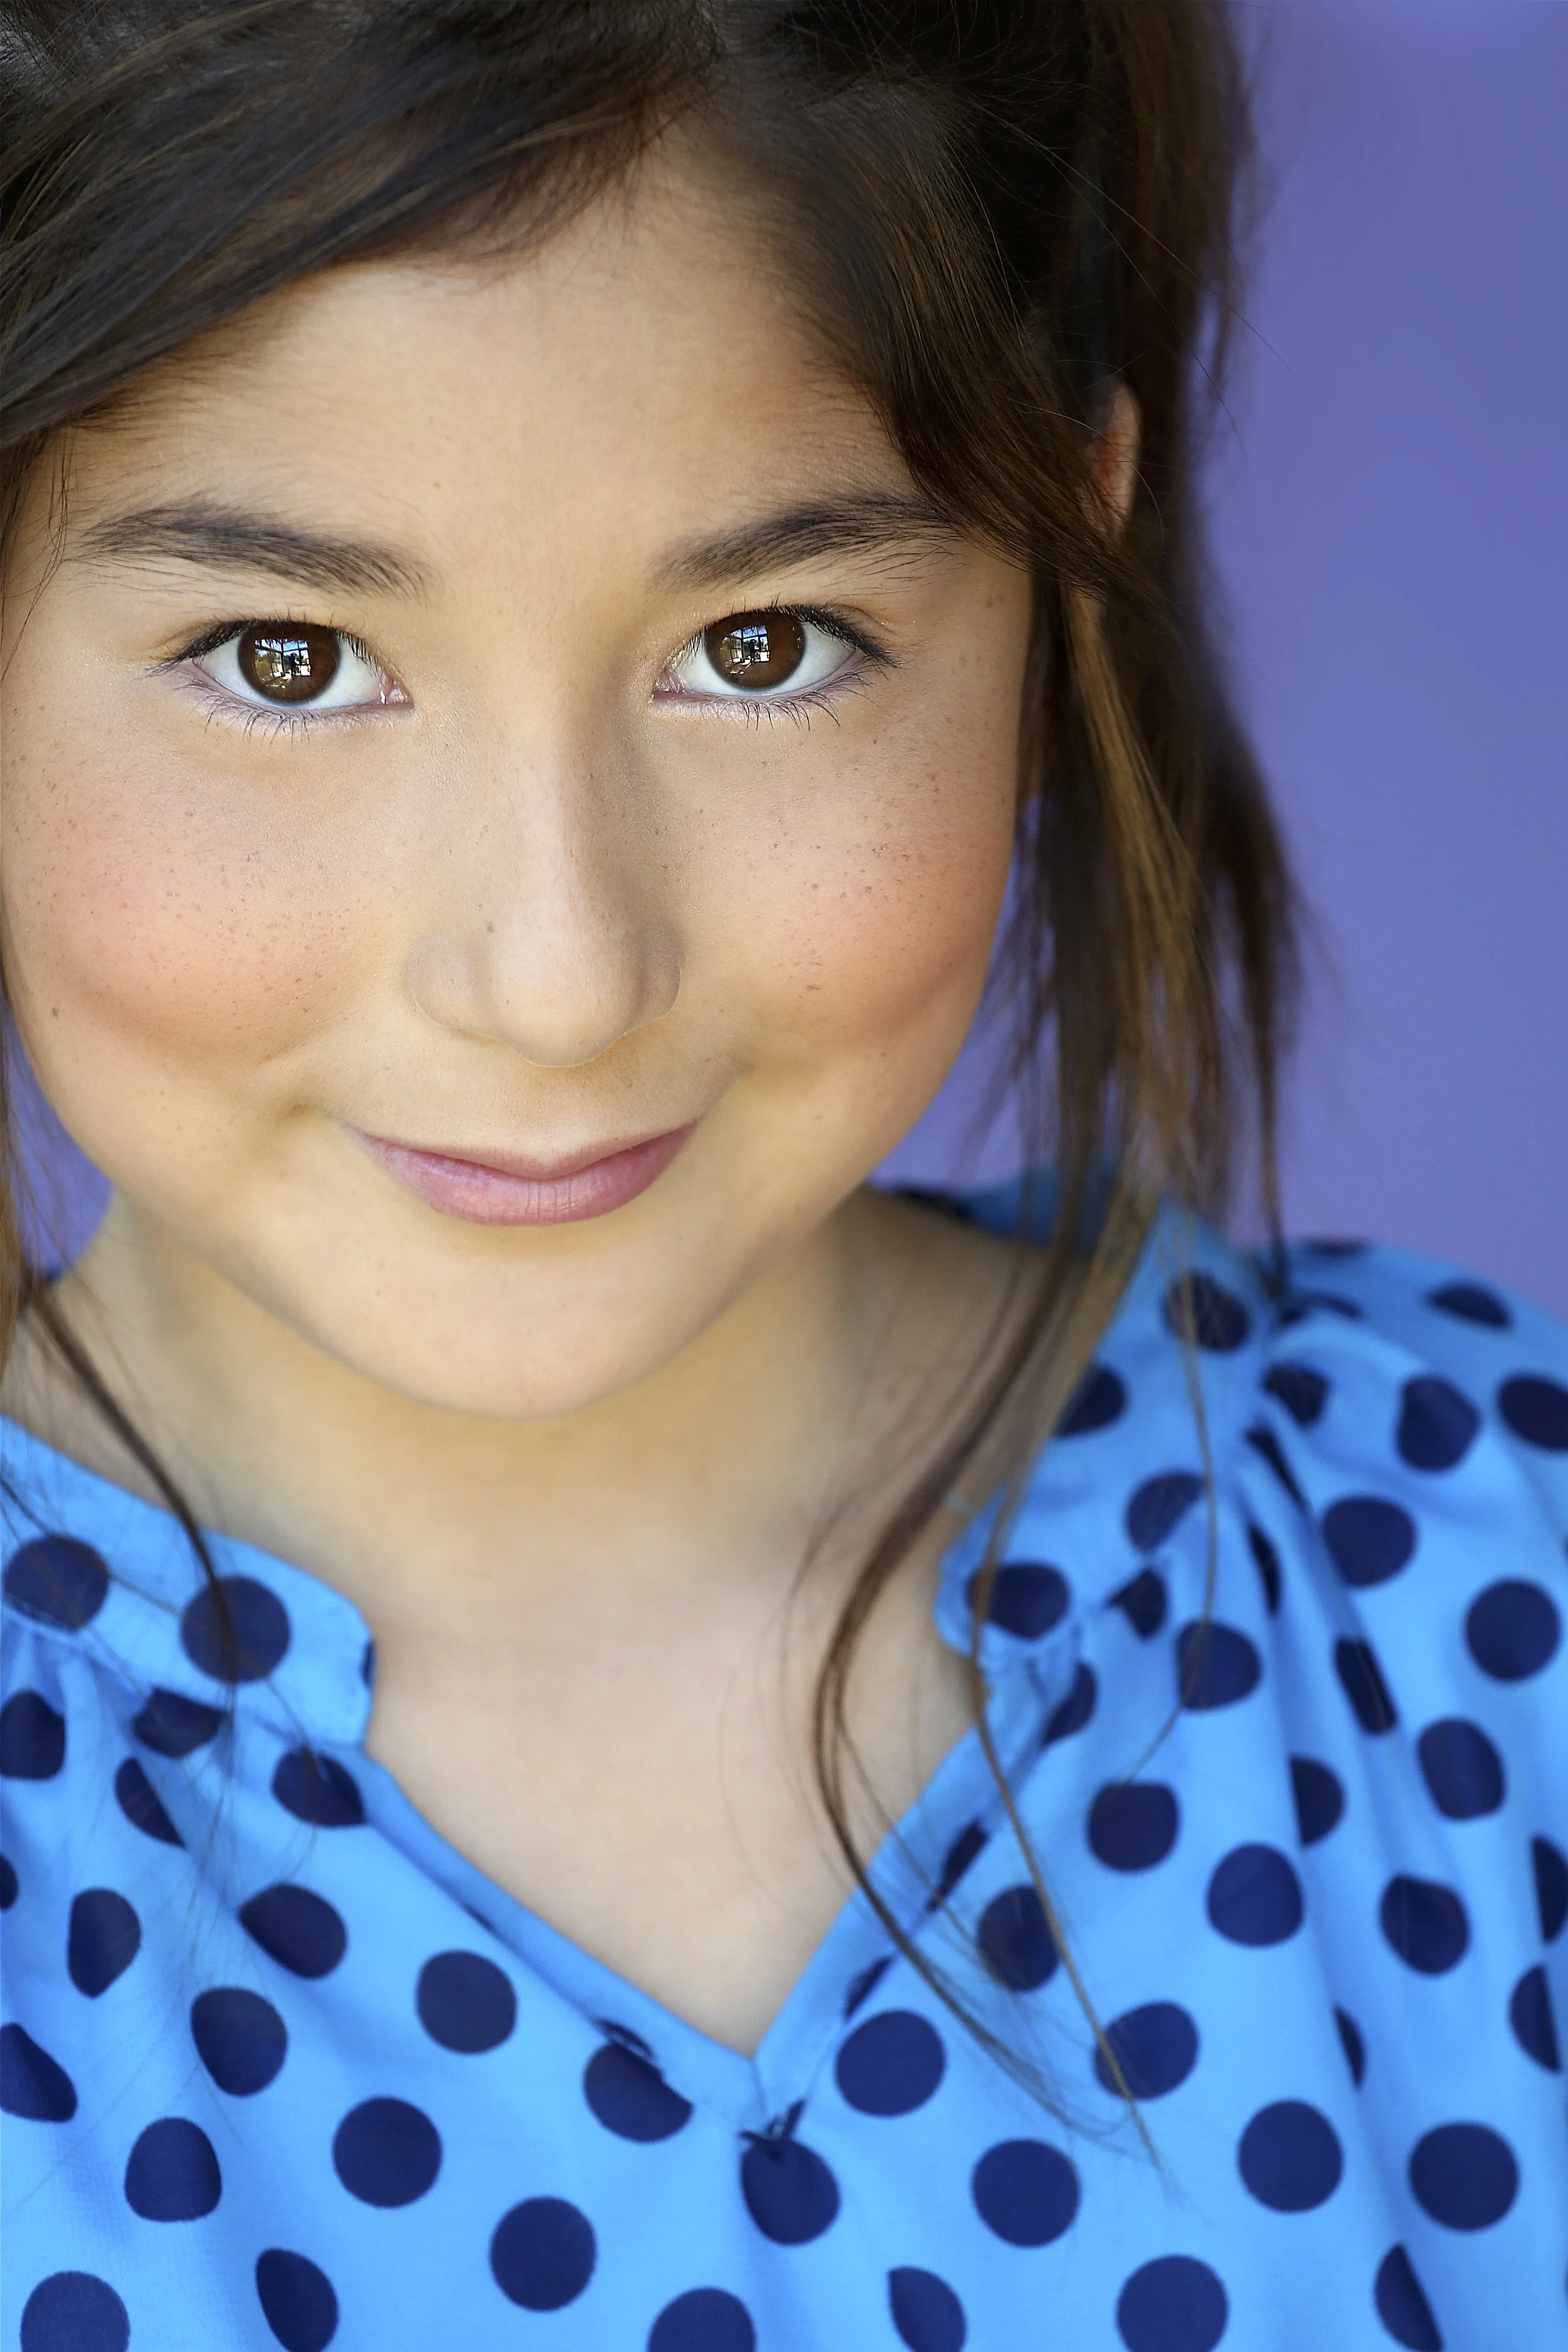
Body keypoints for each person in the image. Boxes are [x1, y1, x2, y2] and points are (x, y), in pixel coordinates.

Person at [1, 4, 1563, 2347]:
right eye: (287, 656)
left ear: (1066, 557)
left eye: (764, 645)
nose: (554, 974)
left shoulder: (1478, 1586)